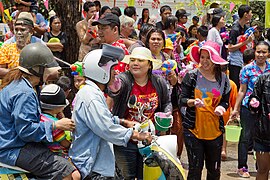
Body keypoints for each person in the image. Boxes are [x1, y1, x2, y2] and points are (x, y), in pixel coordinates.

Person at [69, 44, 152, 179]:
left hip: (98, 163)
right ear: (100, 71)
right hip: (91, 166)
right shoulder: (91, 96)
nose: (116, 73)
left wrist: (123, 121)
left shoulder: (94, 92)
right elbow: (106, 128)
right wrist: (137, 135)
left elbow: (104, 118)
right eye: (112, 69)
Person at [0, 43, 76, 179]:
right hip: (13, 149)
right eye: (47, 67)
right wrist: (56, 125)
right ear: (37, 69)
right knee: (66, 170)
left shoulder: (19, 84)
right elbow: (26, 130)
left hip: (10, 144)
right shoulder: (25, 93)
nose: (51, 71)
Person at [108, 47, 172, 179]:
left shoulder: (158, 82)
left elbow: (166, 102)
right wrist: (113, 85)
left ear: (149, 65)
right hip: (126, 139)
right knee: (126, 177)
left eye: (140, 60)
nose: (135, 63)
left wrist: (166, 114)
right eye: (132, 60)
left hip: (150, 139)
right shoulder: (123, 80)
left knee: (148, 176)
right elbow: (114, 90)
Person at [180, 41, 231, 180]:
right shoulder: (191, 76)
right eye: (202, 57)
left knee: (214, 170)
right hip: (193, 130)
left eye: (208, 57)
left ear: (215, 60)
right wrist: (192, 102)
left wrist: (221, 107)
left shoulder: (224, 79)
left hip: (215, 131)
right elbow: (181, 100)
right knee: (195, 169)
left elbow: (226, 101)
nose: (204, 61)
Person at [231, 41, 270, 178]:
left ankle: (262, 167)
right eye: (258, 51)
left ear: (268, 54)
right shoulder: (247, 69)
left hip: (266, 111)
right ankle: (242, 166)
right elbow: (242, 90)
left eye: (264, 52)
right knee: (246, 137)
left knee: (263, 138)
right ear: (254, 52)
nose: (260, 55)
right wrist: (235, 109)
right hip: (248, 107)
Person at [39, 84, 81, 180]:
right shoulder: (56, 124)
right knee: (76, 175)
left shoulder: (41, 117)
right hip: (57, 154)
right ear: (57, 107)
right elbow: (65, 143)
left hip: (45, 152)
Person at [0, 12, 43, 78]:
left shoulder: (38, 48)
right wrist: (21, 74)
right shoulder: (6, 48)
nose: (19, 33)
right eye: (16, 30)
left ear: (31, 32)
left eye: (22, 30)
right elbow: (1, 71)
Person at [249, 72, 270, 180]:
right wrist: (253, 103)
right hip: (263, 133)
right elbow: (254, 98)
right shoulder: (263, 79)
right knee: (262, 169)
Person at [228, 5, 253, 89]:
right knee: (236, 86)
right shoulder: (235, 29)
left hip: (244, 61)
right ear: (245, 14)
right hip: (235, 62)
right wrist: (245, 42)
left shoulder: (247, 27)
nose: (252, 14)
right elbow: (230, 47)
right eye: (251, 13)